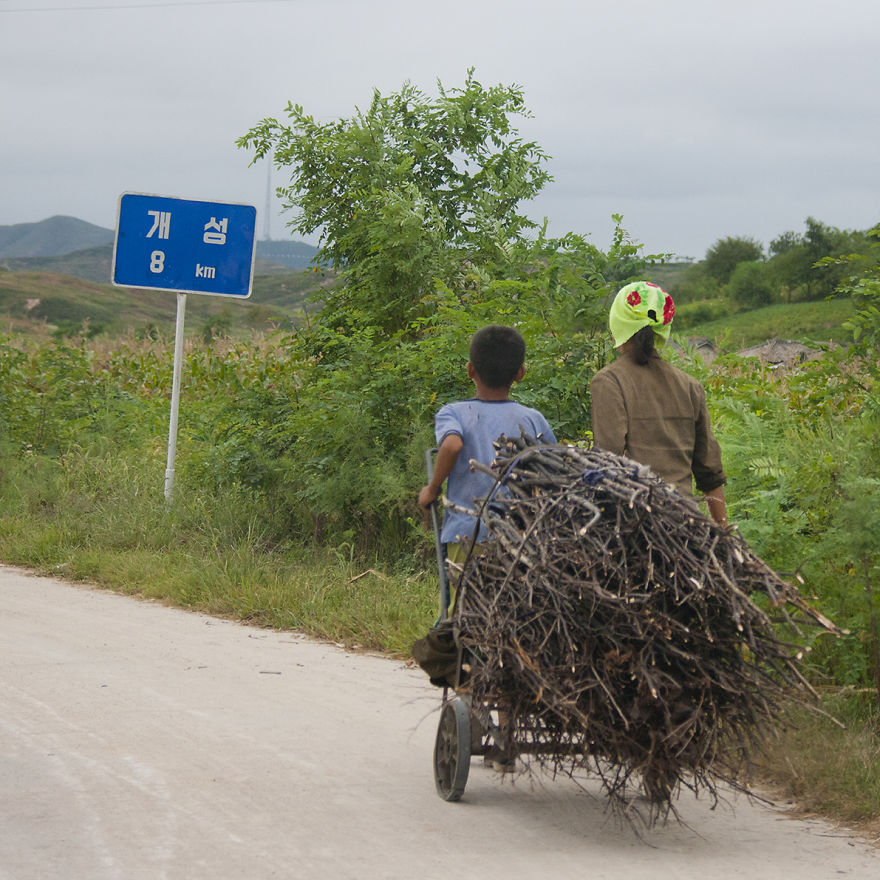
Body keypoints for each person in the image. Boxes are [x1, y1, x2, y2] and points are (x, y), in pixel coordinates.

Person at [418, 324, 557, 568]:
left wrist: (432, 488)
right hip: (521, 537)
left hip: (466, 535)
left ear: (470, 370)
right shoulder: (534, 419)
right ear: (520, 373)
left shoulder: (454, 413)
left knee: (463, 603)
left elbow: (451, 446)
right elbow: (554, 469)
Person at [589, 281, 728, 526]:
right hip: (687, 523)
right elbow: (710, 472)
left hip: (635, 523)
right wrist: (724, 535)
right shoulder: (689, 385)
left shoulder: (609, 381)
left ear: (617, 324)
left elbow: (608, 460)